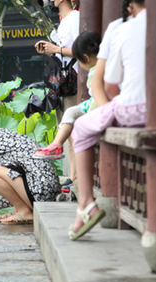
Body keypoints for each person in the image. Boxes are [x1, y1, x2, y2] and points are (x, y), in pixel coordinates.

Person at [69, 0, 147, 241]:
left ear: (130, 7)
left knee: (80, 127)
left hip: (137, 109)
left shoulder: (120, 27)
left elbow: (109, 83)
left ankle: (86, 203)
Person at [33, 31, 102, 160]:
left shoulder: (97, 72)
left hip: (98, 106)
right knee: (71, 112)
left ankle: (56, 145)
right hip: (95, 103)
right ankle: (56, 145)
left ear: (86, 58)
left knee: (77, 124)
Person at [35, 0, 81, 180]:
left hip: (74, 82)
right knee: (67, 132)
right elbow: (63, 53)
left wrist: (57, 49)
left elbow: (81, 50)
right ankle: (73, 177)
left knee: (73, 132)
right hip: (63, 84)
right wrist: (51, 51)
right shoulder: (63, 22)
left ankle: (76, 178)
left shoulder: (75, 18)